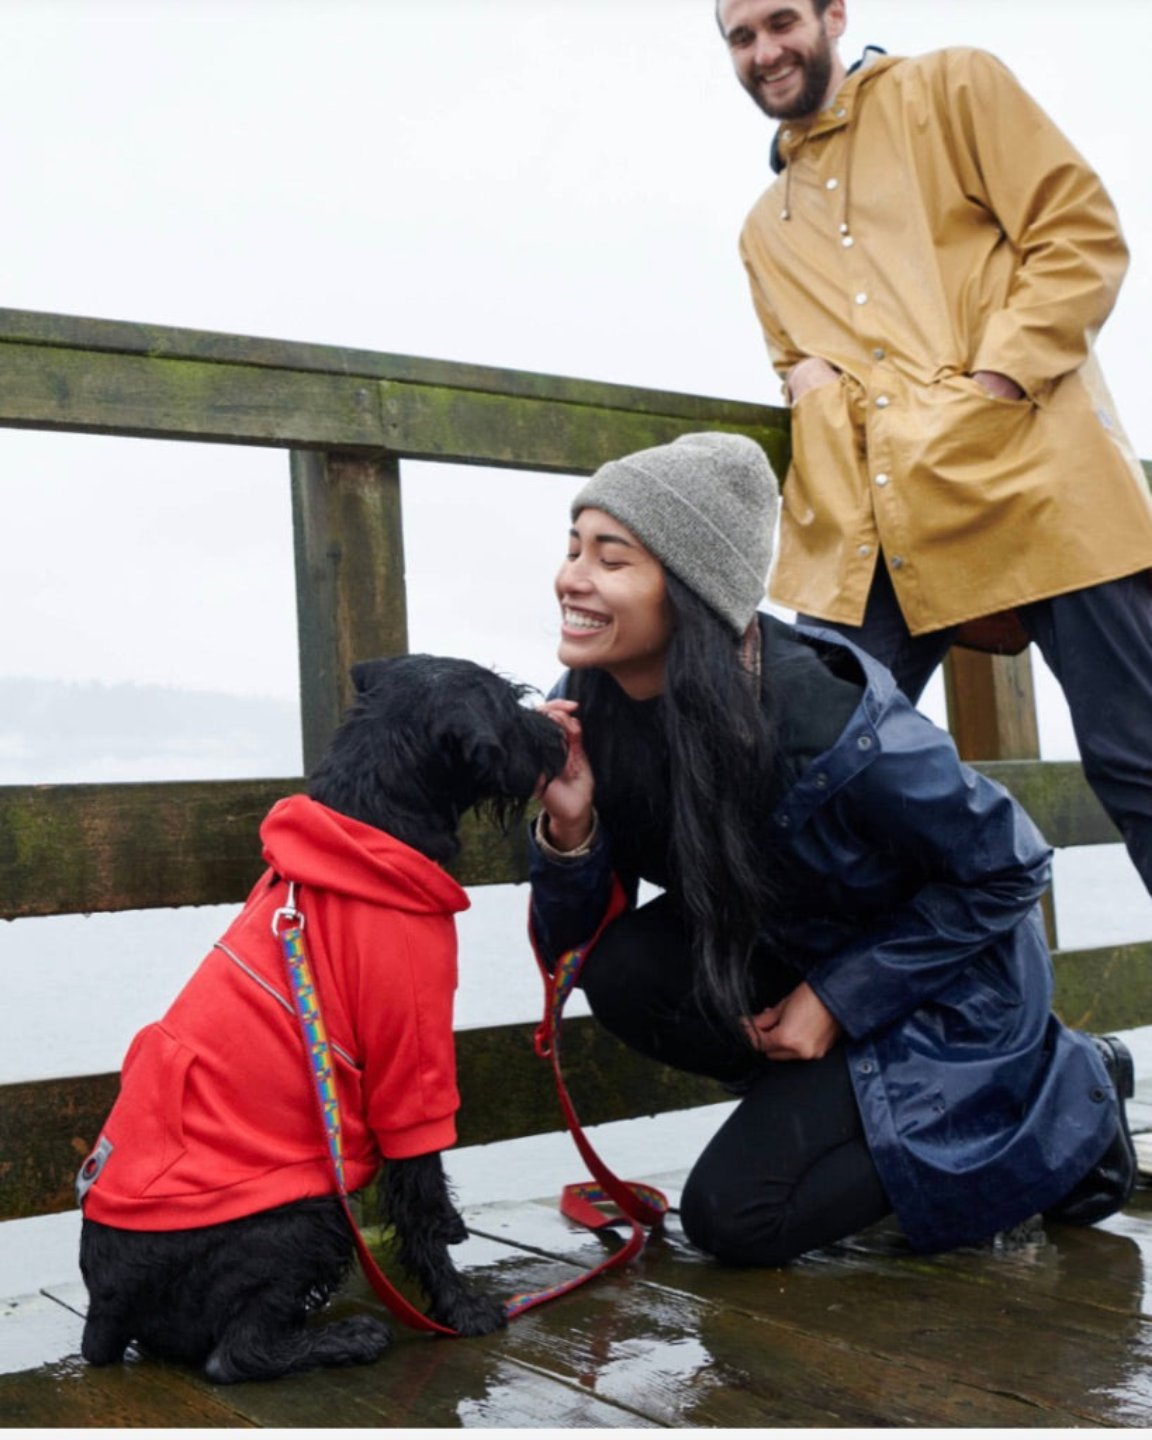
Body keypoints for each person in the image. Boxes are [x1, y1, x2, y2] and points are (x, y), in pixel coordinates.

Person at [529, 430, 1136, 1265]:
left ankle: (1073, 1096)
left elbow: (1010, 866)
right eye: (572, 548)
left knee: (734, 1224)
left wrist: (839, 998)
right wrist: (572, 830)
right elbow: (569, 944)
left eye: (612, 557)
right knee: (622, 965)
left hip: (948, 991)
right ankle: (829, 1113)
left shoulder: (834, 724)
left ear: (694, 587)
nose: (573, 577)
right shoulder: (587, 701)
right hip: (795, 950)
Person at [716, 0, 1152, 896]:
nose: (766, 51)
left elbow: (1079, 236)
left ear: (834, 14)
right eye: (741, 37)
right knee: (805, 775)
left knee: (1139, 762)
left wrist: (994, 384)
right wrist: (798, 377)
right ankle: (931, 1011)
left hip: (1039, 476)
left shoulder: (953, 85)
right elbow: (795, 355)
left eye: (781, 21)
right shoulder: (764, 231)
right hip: (879, 524)